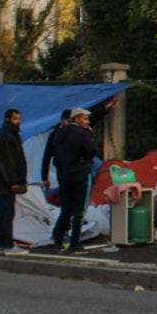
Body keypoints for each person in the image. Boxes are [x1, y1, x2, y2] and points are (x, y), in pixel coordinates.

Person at [47, 107, 99, 253]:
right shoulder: (81, 133)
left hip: (64, 175)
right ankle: (74, 243)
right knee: (79, 209)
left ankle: (57, 239)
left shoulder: (58, 134)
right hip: (81, 174)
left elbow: (53, 157)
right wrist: (85, 159)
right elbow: (93, 149)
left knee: (66, 209)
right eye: (84, 119)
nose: (87, 122)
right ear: (76, 119)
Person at [0, 108, 29, 255]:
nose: (18, 122)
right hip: (6, 183)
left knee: (4, 212)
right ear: (7, 119)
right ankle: (6, 244)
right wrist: (13, 182)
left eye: (19, 119)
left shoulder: (10, 135)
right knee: (7, 213)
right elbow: (7, 162)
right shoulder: (6, 136)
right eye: (15, 119)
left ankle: (3, 243)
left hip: (4, 181)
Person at [39, 108, 72, 189]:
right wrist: (45, 178)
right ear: (63, 120)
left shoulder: (74, 133)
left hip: (76, 170)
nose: (71, 124)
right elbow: (47, 156)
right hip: (62, 171)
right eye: (69, 121)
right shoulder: (54, 135)